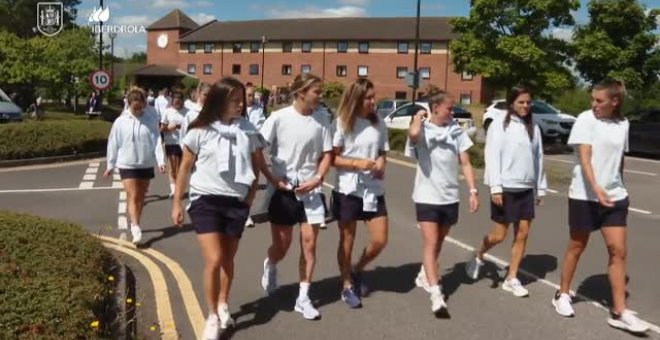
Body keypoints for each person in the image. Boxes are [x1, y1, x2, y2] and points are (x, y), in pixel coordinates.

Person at [552, 79, 648, 334]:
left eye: (599, 100)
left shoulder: (623, 124)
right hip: (585, 195)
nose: (594, 104)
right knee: (577, 245)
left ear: (615, 101)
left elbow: (619, 160)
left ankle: (619, 311)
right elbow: (585, 157)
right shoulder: (585, 119)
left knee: (618, 250)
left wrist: (620, 187)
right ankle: (562, 294)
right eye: (593, 99)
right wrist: (596, 188)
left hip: (615, 197)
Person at [171, 77, 263, 339]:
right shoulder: (200, 129)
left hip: (236, 202)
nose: (239, 104)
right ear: (219, 100)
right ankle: (212, 315)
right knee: (213, 260)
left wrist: (251, 195)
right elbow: (186, 166)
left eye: (241, 100)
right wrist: (177, 201)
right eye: (234, 100)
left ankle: (223, 302)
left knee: (227, 259)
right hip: (206, 200)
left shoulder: (248, 129)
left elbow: (257, 166)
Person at [258, 73, 333, 320]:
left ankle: (303, 298)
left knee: (310, 244)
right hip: (284, 191)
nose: (320, 97)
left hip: (311, 191)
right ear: (301, 93)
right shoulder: (279, 118)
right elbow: (257, 149)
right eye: (317, 92)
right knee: (282, 245)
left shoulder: (322, 119)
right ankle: (271, 263)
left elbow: (327, 154)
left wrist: (318, 178)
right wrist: (272, 179)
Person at [465, 86, 546, 298]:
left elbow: (538, 158)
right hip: (505, 187)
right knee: (499, 235)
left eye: (528, 102)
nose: (526, 106)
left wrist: (540, 187)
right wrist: (495, 187)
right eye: (521, 102)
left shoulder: (533, 126)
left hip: (526, 188)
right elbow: (492, 156)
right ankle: (479, 254)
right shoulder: (500, 124)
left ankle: (511, 278)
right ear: (511, 103)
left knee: (523, 233)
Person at [406, 90, 480, 316]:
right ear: (435, 107)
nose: (453, 111)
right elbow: (413, 134)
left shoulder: (456, 131)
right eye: (449, 107)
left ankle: (423, 273)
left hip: (450, 197)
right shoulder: (424, 131)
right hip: (427, 196)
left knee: (438, 240)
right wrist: (418, 117)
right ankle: (436, 294)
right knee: (430, 243)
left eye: (453, 107)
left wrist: (473, 190)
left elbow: (466, 163)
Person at [330, 78, 389, 309]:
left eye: (374, 97)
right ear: (356, 98)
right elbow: (332, 159)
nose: (374, 102)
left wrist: (382, 162)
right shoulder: (343, 123)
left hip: (373, 190)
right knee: (347, 240)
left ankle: (356, 269)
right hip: (348, 189)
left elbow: (382, 151)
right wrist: (356, 164)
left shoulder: (378, 122)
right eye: (369, 98)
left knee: (380, 240)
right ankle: (346, 284)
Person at [104, 88, 166, 244]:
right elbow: (113, 143)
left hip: (145, 163)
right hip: (126, 163)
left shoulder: (150, 120)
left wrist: (161, 161)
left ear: (145, 104)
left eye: (141, 107)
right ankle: (136, 227)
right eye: (135, 108)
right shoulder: (120, 122)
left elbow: (157, 141)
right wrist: (110, 164)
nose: (138, 110)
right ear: (129, 104)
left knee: (141, 196)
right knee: (133, 195)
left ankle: (134, 222)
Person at [160, 91, 189, 197]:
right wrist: (168, 128)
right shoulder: (167, 112)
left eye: (179, 101)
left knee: (182, 168)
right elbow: (162, 128)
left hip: (185, 143)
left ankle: (180, 188)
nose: (177, 103)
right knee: (172, 167)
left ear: (182, 101)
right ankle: (174, 190)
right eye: (175, 101)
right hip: (171, 142)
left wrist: (182, 127)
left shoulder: (188, 112)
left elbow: (193, 127)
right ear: (172, 101)